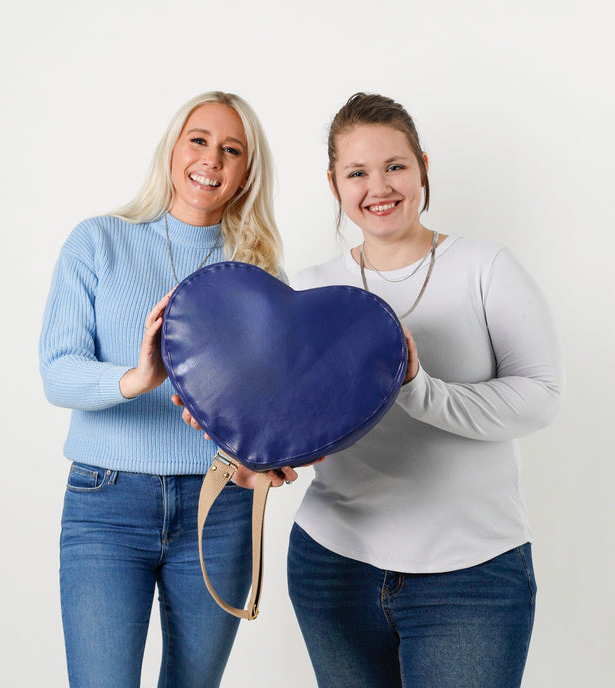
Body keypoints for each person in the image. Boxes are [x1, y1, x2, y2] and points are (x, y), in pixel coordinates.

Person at [287, 93, 564, 688]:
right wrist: (250, 447)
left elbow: (540, 395)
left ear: (422, 167)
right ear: (333, 183)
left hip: (472, 579)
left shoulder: (486, 268)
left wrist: (418, 389)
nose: (378, 186)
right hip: (333, 566)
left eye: (394, 166)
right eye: (356, 172)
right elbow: (292, 418)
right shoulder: (309, 289)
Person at [39, 91, 297, 688]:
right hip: (106, 503)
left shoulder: (260, 272)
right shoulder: (98, 240)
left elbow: (274, 405)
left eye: (232, 150)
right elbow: (57, 371)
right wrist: (137, 378)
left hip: (218, 509)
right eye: (199, 140)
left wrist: (272, 459)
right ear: (173, 150)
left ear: (246, 173)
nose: (212, 158)